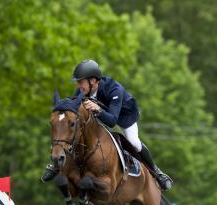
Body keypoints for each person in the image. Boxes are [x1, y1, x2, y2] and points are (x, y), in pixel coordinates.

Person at [41, 59, 173, 191]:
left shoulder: (114, 89)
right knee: (76, 131)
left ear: (92, 81)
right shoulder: (82, 91)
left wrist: (97, 109)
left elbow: (112, 121)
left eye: (80, 82)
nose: (78, 86)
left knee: (133, 142)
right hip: (102, 116)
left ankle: (157, 173)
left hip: (124, 117)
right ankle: (55, 166)